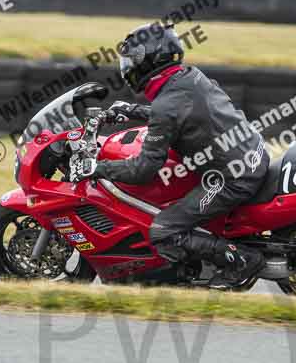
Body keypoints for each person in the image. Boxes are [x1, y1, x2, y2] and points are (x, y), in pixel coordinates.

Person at [71, 22, 270, 289]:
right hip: (251, 154)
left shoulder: (166, 104)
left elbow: (143, 170)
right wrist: (132, 110)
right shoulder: (188, 77)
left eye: (132, 60)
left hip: (233, 177)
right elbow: (180, 112)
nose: (128, 67)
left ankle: (243, 260)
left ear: (150, 59)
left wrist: (98, 167)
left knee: (164, 231)